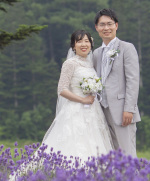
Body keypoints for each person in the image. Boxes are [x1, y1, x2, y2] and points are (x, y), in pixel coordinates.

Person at [38, 30, 114, 162]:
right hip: (75, 110)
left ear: (91, 44)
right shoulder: (70, 63)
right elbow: (62, 89)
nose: (83, 44)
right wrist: (82, 100)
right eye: (79, 41)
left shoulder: (91, 64)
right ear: (73, 46)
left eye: (86, 41)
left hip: (93, 111)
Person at [92, 8, 141, 157]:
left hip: (122, 111)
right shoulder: (96, 53)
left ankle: (134, 174)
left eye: (109, 24)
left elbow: (133, 80)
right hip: (102, 111)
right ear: (96, 28)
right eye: (102, 25)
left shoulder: (127, 48)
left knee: (127, 153)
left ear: (116, 26)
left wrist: (129, 109)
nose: (106, 28)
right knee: (111, 155)